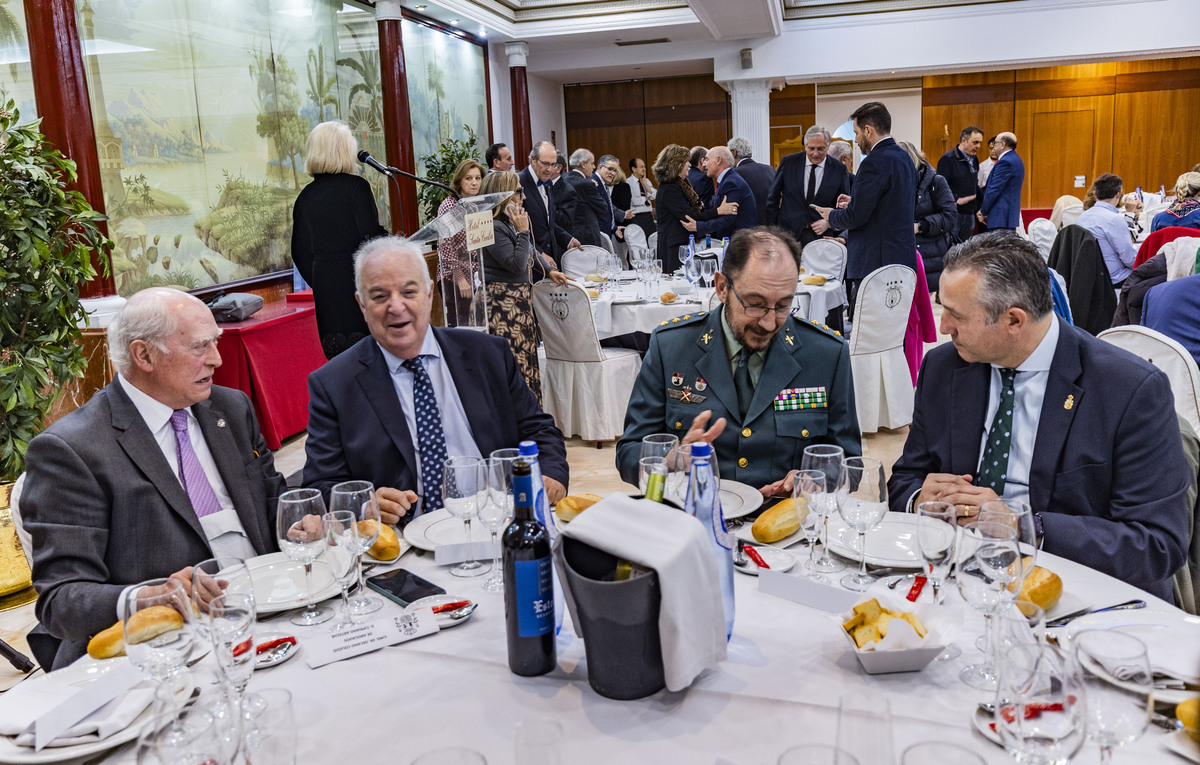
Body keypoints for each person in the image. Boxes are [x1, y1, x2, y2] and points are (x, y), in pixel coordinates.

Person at [887, 231, 1190, 602]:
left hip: (1080, 593)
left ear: (1014, 320)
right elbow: (906, 477)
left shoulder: (1128, 389)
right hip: (959, 583)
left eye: (956, 315)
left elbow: (1157, 545)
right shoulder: (944, 366)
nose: (943, 327)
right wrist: (921, 498)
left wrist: (1019, 525)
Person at [21, 288, 287, 669]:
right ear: (143, 354)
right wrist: (146, 597)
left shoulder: (230, 407)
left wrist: (309, 522)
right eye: (199, 347)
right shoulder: (72, 450)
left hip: (271, 611)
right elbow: (61, 601)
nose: (216, 359)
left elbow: (275, 503)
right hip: (165, 652)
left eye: (215, 342)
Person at [304, 236, 569, 523]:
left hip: (495, 523)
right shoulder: (333, 384)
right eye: (380, 296)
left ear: (430, 294)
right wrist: (364, 505)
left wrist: (551, 474)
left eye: (409, 291)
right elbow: (320, 486)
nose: (396, 306)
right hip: (403, 544)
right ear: (361, 304)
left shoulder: (488, 354)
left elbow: (538, 429)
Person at [616, 227, 861, 495]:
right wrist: (669, 460)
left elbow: (850, 462)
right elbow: (629, 451)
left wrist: (815, 477)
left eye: (783, 306)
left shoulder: (826, 354)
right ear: (722, 287)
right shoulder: (670, 347)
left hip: (784, 522)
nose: (769, 323)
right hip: (693, 519)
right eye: (755, 304)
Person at [291, 121, 387, 359]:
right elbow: (371, 242)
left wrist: (323, 280)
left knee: (343, 364)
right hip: (359, 287)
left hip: (327, 292)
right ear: (343, 151)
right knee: (373, 361)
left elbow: (299, 252)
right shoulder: (357, 188)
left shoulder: (305, 197)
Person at [477, 170, 571, 404]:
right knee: (514, 363)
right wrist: (523, 231)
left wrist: (549, 270)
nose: (524, 197)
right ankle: (516, 419)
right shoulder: (490, 225)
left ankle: (532, 417)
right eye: (519, 191)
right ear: (503, 196)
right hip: (502, 304)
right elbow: (516, 264)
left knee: (527, 360)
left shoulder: (508, 223)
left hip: (519, 301)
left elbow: (530, 252)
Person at [815, 102, 917, 287]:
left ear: (868, 130)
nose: (855, 140)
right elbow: (894, 203)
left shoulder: (873, 163)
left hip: (876, 263)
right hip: (901, 257)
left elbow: (856, 217)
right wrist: (856, 201)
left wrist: (831, 216)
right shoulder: (904, 158)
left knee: (869, 316)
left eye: (856, 133)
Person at [651, 144, 738, 274]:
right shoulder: (669, 189)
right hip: (673, 246)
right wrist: (719, 211)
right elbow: (690, 216)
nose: (689, 165)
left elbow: (696, 211)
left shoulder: (680, 184)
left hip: (681, 242)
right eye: (686, 161)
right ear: (677, 164)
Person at [766, 125, 852, 246]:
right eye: (811, 148)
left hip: (822, 236)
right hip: (788, 234)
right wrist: (773, 231)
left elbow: (842, 206)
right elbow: (773, 199)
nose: (815, 153)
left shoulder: (839, 169)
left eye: (820, 148)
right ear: (805, 146)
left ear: (828, 146)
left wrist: (829, 222)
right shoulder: (788, 163)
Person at [902, 141, 958, 293]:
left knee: (923, 308)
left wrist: (920, 226)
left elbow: (950, 216)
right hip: (902, 253)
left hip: (930, 253)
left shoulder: (936, 181)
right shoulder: (894, 182)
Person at [435, 159, 484, 326]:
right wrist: (460, 279)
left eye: (478, 178)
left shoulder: (478, 204)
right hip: (454, 276)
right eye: (468, 178)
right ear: (459, 181)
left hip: (476, 274)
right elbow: (445, 245)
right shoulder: (450, 205)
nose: (474, 183)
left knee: (477, 324)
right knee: (461, 325)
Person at [519, 141, 581, 266]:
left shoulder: (548, 183)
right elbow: (517, 229)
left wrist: (567, 239)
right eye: (545, 164)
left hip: (551, 255)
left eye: (553, 165)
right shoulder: (519, 182)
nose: (549, 170)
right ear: (533, 159)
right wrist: (539, 253)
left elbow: (548, 222)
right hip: (531, 260)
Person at [1075, 172, 1138, 286]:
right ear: (1119, 194)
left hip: (1089, 279)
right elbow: (1131, 260)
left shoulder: (1081, 218)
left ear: (1095, 194)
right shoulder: (1114, 220)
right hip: (1114, 280)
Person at [683, 146, 758, 241]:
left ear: (718, 160)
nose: (704, 164)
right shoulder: (728, 180)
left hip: (739, 243)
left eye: (707, 160)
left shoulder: (731, 183)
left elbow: (728, 218)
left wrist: (699, 226)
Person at [936, 126, 984, 243]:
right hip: (954, 213)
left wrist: (980, 207)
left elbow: (974, 185)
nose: (978, 146)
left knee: (965, 250)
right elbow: (940, 187)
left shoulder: (974, 159)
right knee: (952, 249)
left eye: (980, 143)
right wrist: (956, 199)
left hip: (969, 213)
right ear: (964, 141)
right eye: (975, 142)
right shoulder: (947, 159)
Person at [563, 148, 611, 247]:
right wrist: (595, 188)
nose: (594, 167)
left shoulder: (563, 179)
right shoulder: (587, 184)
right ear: (583, 164)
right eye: (592, 163)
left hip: (567, 236)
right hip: (587, 237)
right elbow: (603, 207)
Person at [978, 132, 1024, 230]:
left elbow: (994, 190)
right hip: (1006, 217)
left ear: (1002, 144)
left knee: (999, 245)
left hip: (1000, 217)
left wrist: (983, 211)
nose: (993, 147)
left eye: (995, 143)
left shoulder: (1005, 162)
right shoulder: (1015, 158)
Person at [727, 136, 776, 225]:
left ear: (734, 153)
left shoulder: (734, 173)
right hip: (770, 225)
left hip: (747, 228)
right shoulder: (769, 169)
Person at [625, 156, 657, 240]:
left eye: (644, 166)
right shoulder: (628, 182)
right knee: (640, 244)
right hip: (636, 217)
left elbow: (654, 195)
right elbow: (634, 201)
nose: (644, 169)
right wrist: (647, 198)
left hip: (648, 217)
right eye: (641, 167)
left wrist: (644, 182)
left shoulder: (646, 181)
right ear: (634, 169)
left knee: (652, 242)